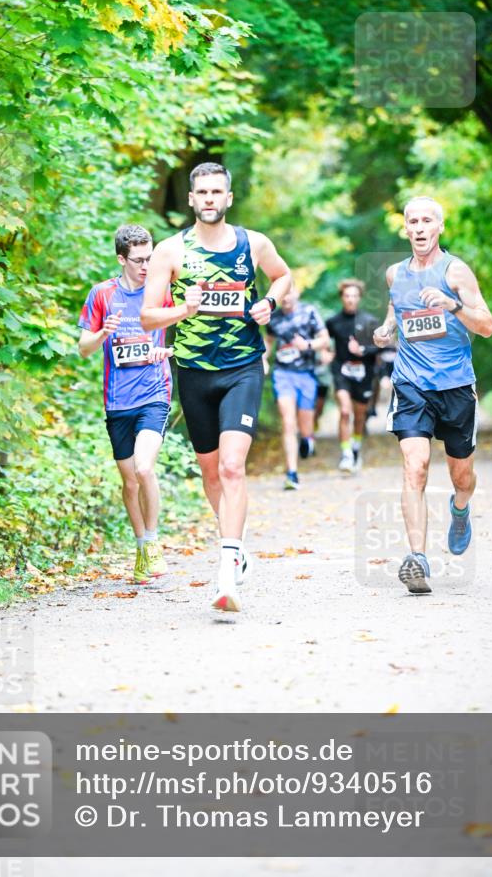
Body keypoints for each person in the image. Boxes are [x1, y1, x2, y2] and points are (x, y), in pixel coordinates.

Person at [140, 162, 291, 613]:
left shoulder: (253, 244)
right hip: (193, 371)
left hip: (243, 366)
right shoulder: (170, 251)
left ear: (228, 198)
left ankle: (226, 573)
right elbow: (148, 316)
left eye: (216, 192)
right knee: (210, 473)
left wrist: (268, 301)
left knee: (230, 468)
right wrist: (182, 311)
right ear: (191, 199)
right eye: (201, 192)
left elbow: (282, 276)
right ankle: (237, 547)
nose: (209, 198)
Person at [373, 196, 492, 594]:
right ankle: (418, 559)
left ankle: (460, 509)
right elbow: (398, 308)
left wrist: (453, 304)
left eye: (427, 220)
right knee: (415, 465)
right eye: (413, 221)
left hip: (456, 385)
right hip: (411, 383)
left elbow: (487, 325)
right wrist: (387, 328)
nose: (420, 227)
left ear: (439, 227)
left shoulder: (455, 271)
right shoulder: (395, 274)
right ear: (405, 228)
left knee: (462, 476)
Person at [77, 224, 174, 585]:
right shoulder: (103, 294)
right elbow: (83, 347)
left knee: (145, 468)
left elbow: (182, 319)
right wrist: (104, 332)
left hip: (154, 393)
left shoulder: (160, 292)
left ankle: (152, 543)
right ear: (121, 258)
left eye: (150, 258)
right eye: (138, 260)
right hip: (118, 402)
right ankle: (139, 545)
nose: (146, 266)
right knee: (130, 481)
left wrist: (166, 350)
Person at [265, 283, 330, 489]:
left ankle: (307, 438)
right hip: (283, 373)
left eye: (289, 293)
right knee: (287, 420)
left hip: (306, 374)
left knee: (305, 423)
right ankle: (291, 473)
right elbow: (268, 341)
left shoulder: (309, 312)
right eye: (282, 294)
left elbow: (324, 339)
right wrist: (264, 359)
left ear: (297, 293)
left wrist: (308, 345)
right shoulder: (273, 316)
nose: (285, 298)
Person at [326, 279, 380, 472]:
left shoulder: (369, 321)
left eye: (354, 296)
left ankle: (356, 447)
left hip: (364, 373)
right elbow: (323, 339)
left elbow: (380, 347)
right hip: (341, 371)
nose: (350, 300)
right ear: (342, 298)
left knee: (359, 416)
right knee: (345, 411)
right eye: (347, 296)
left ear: (359, 298)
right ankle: (346, 454)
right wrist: (325, 352)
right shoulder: (333, 322)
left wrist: (363, 350)